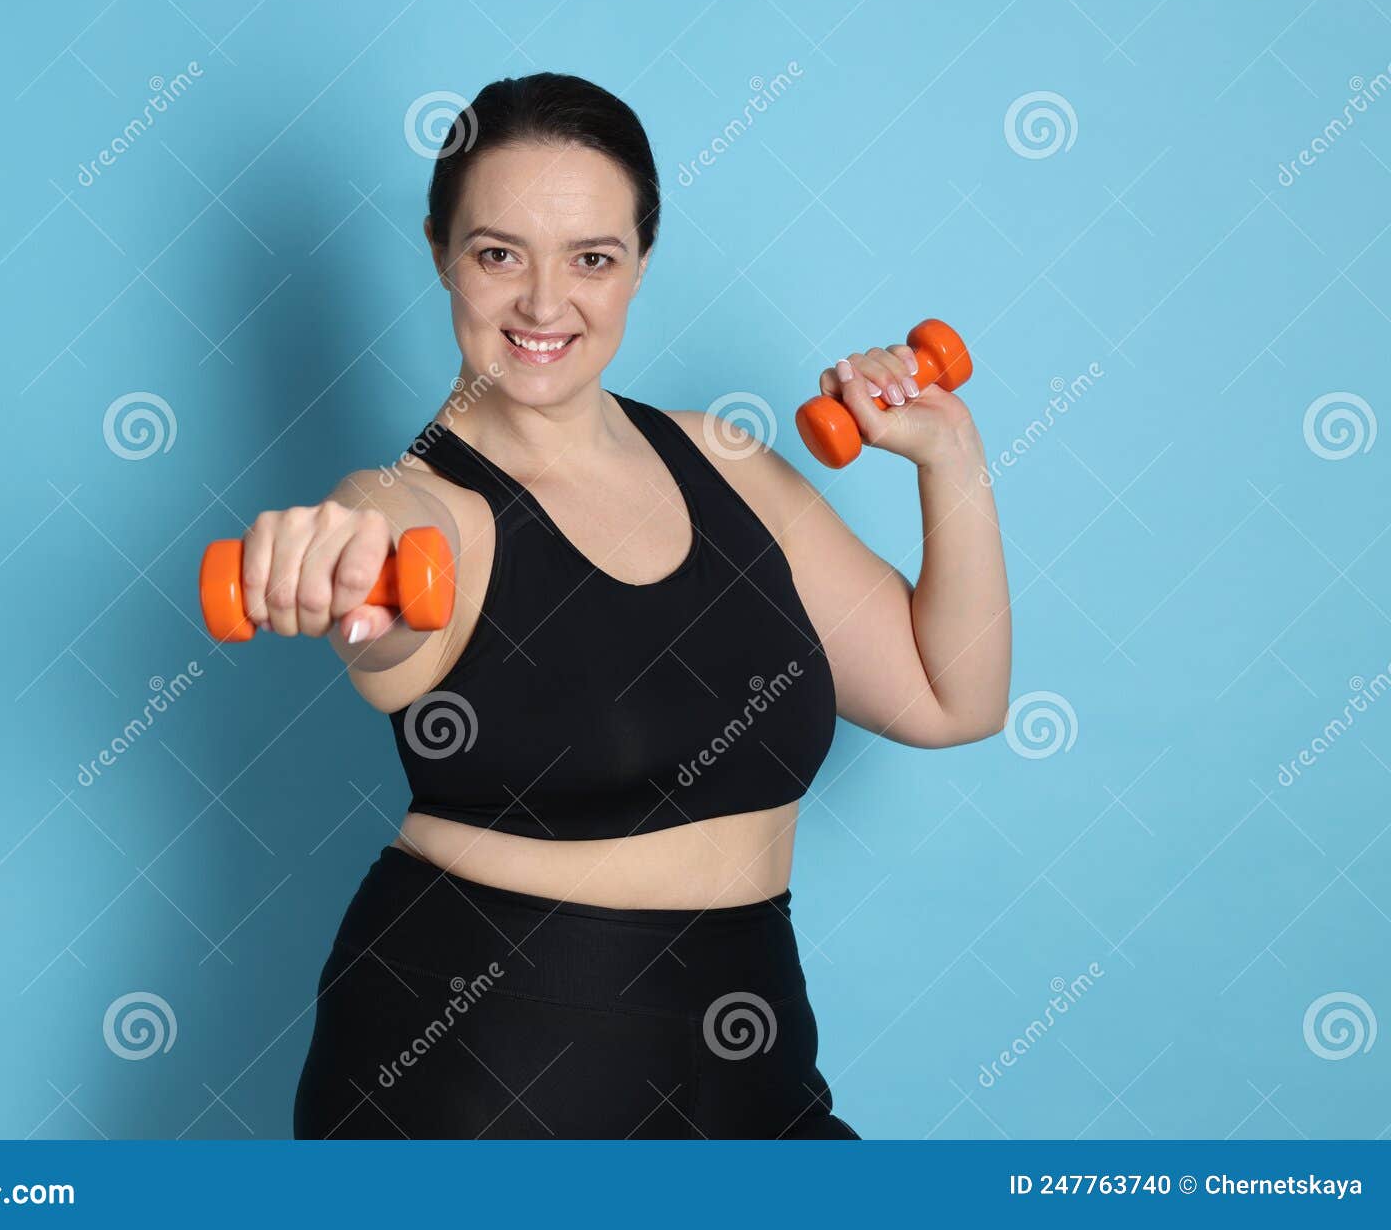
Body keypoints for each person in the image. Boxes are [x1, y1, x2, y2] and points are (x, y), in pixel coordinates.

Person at [245, 72, 1012, 1138]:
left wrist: (949, 455)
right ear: (439, 256)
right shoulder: (424, 507)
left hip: (754, 1045)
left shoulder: (724, 461)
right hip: (482, 1059)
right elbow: (381, 551)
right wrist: (332, 553)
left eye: (591, 259)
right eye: (497, 253)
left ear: (641, 264)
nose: (544, 304)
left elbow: (950, 698)